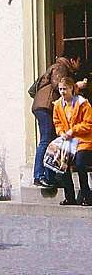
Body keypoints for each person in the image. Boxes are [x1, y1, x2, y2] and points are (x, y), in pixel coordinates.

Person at [31, 55, 87, 187]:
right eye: (79, 61)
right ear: (72, 60)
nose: (79, 65)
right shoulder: (61, 66)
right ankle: (39, 175)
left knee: (50, 140)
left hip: (44, 106)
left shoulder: (59, 66)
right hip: (45, 107)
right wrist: (76, 86)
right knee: (46, 140)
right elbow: (59, 86)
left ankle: (49, 176)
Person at [53, 76, 92, 205]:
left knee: (80, 164)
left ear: (71, 88)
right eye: (60, 89)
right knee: (62, 164)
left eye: (65, 89)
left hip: (83, 141)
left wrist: (73, 130)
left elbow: (88, 124)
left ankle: (87, 196)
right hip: (68, 142)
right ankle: (69, 197)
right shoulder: (58, 105)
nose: (62, 92)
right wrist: (61, 132)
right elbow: (57, 122)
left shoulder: (83, 104)